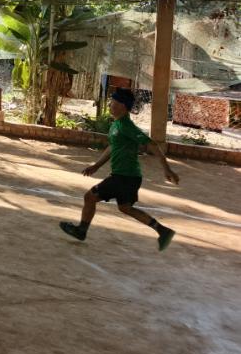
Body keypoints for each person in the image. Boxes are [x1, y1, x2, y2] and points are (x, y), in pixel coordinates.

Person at [59, 88, 180, 251]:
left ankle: (81, 230)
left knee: (90, 196)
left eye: (113, 102)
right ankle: (163, 231)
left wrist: (167, 169)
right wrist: (96, 166)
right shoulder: (116, 125)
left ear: (122, 106)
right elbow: (112, 147)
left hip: (124, 177)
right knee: (125, 207)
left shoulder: (126, 126)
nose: (110, 105)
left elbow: (152, 144)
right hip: (129, 177)